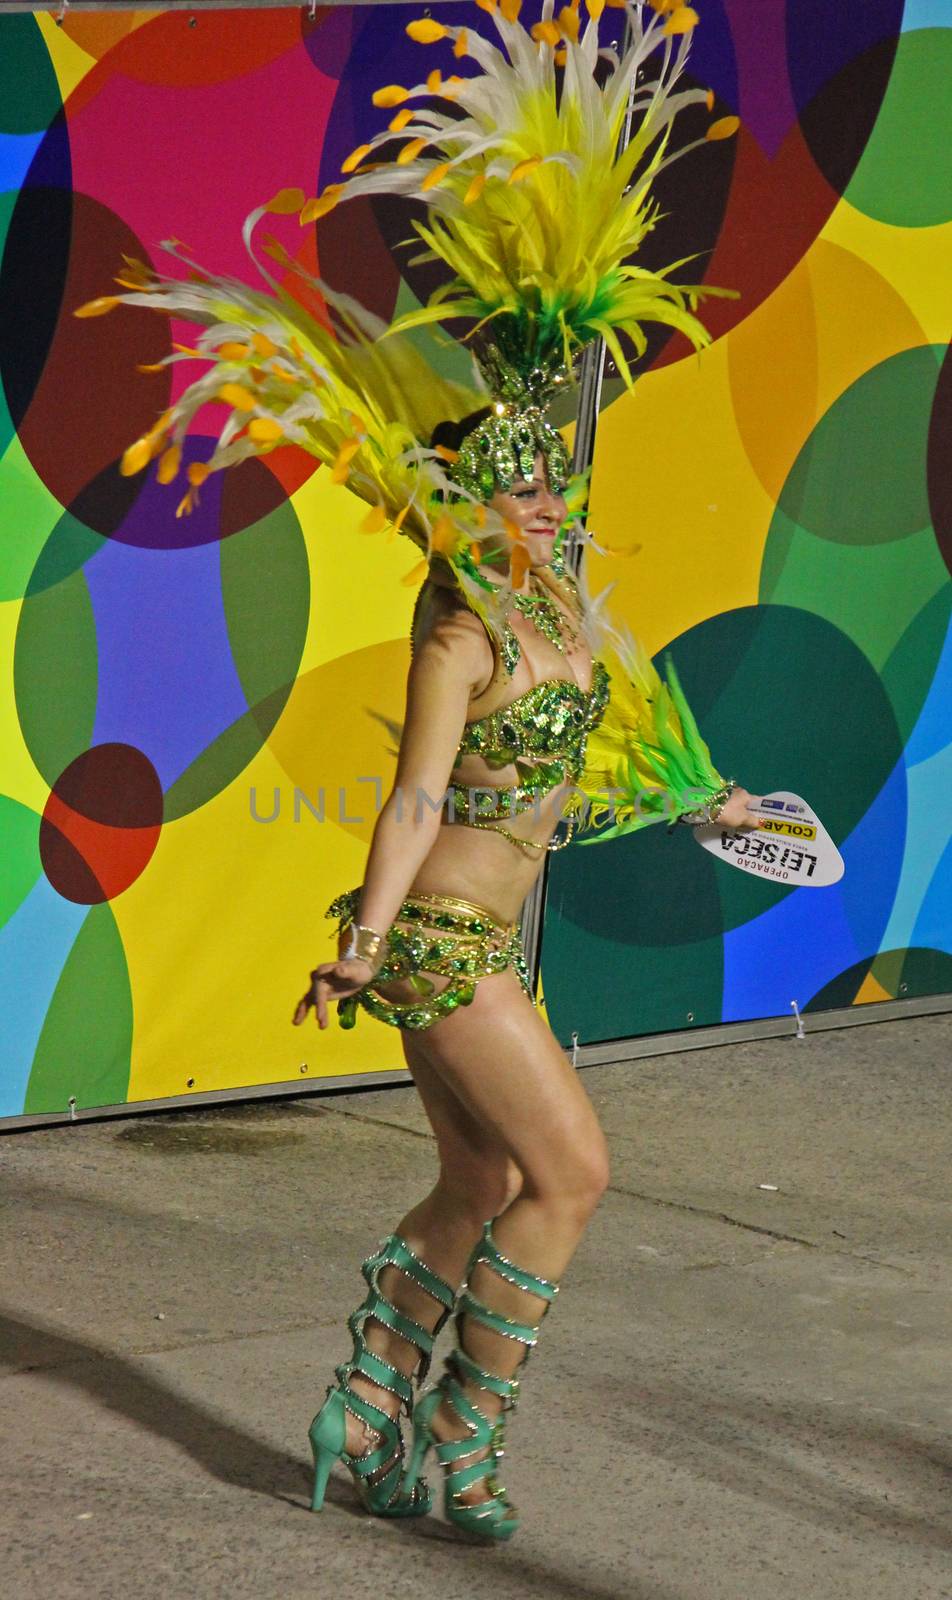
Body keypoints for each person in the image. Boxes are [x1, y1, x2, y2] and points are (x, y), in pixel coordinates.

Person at [77, 0, 761, 1540]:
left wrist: (699, 801)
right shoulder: (458, 630)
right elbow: (413, 802)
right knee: (573, 1174)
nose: (542, 505)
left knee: (472, 1192)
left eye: (550, 484)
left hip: (487, 932)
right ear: (476, 504)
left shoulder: (573, 625)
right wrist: (366, 940)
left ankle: (364, 1409)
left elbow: (561, 792)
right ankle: (462, 1449)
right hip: (445, 946)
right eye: (518, 492)